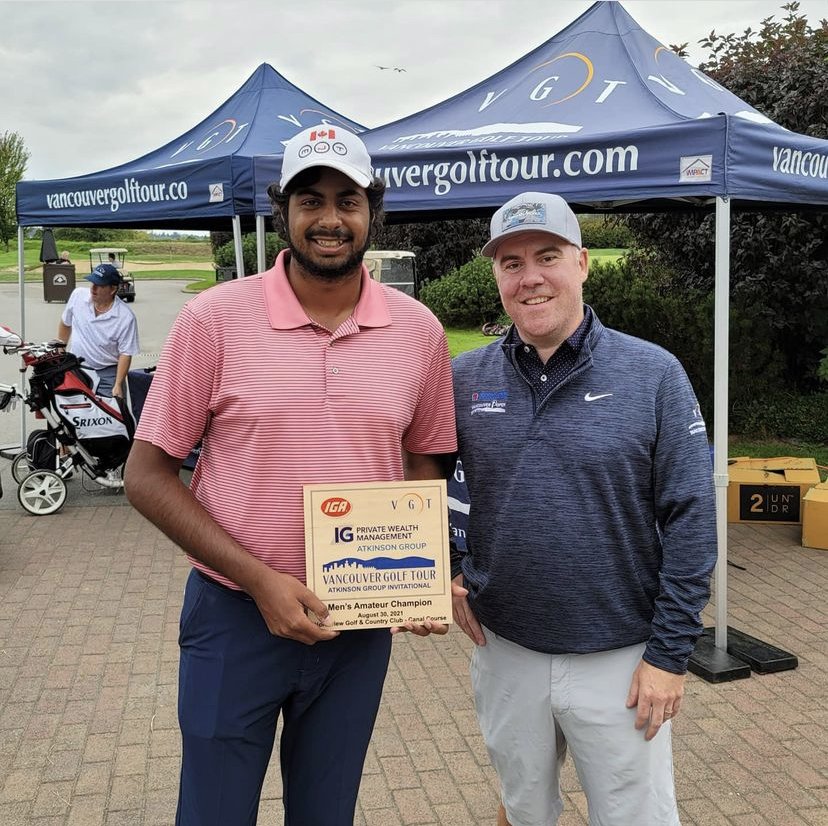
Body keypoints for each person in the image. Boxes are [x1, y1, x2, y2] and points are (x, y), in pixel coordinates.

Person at [124, 125, 457, 826]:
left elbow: (426, 459)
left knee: (326, 812)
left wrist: (423, 571)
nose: (330, 219)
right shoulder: (212, 320)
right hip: (234, 618)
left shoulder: (419, 331)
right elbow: (147, 476)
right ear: (284, 212)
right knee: (213, 812)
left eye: (348, 200)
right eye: (311, 200)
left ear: (374, 208)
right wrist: (258, 581)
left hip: (357, 626)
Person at [451, 191, 717, 826]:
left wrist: (669, 655)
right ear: (496, 276)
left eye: (548, 256)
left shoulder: (653, 373)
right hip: (506, 647)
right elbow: (426, 482)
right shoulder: (463, 377)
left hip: (623, 659)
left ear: (583, 263)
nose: (530, 277)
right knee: (522, 808)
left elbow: (692, 517)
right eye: (511, 263)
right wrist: (446, 564)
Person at [57, 263, 138, 398]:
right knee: (74, 413)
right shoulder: (77, 296)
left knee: (111, 414)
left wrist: (118, 384)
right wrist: (60, 351)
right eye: (92, 283)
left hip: (108, 375)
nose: (93, 289)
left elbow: (126, 353)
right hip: (77, 368)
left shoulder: (125, 317)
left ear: (112, 289)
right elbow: (66, 322)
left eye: (99, 285)